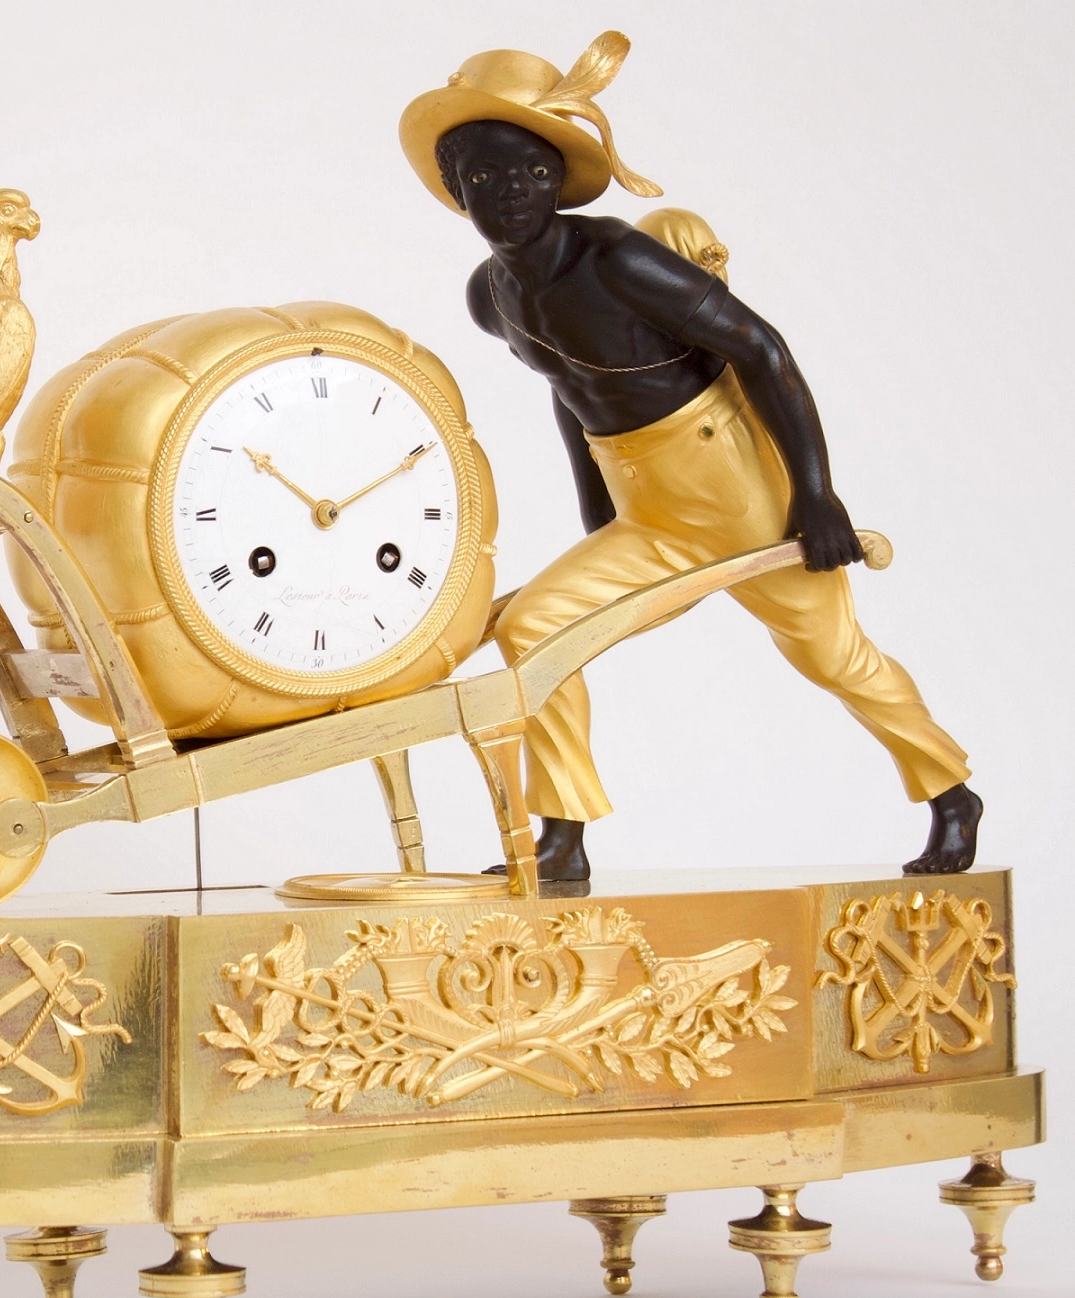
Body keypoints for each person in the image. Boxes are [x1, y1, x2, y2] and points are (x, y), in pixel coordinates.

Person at [399, 32, 981, 880]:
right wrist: (597, 506)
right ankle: (562, 839)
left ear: (557, 180)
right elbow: (567, 385)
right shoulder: (490, 299)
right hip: (647, 509)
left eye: (531, 172)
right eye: (485, 176)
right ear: (457, 193)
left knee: (834, 657)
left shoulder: (616, 260)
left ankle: (952, 794)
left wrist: (817, 493)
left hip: (742, 490)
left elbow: (763, 350)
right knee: (534, 630)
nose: (511, 192)